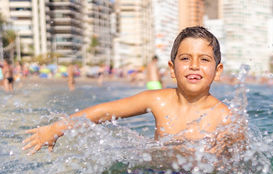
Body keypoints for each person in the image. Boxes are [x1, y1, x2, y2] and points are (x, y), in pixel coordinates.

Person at [22, 26, 243, 156]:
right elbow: (104, 112)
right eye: (185, 58)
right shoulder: (158, 100)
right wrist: (56, 128)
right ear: (172, 69)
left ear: (218, 70)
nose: (194, 65)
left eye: (204, 60)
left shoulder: (224, 117)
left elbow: (242, 157)